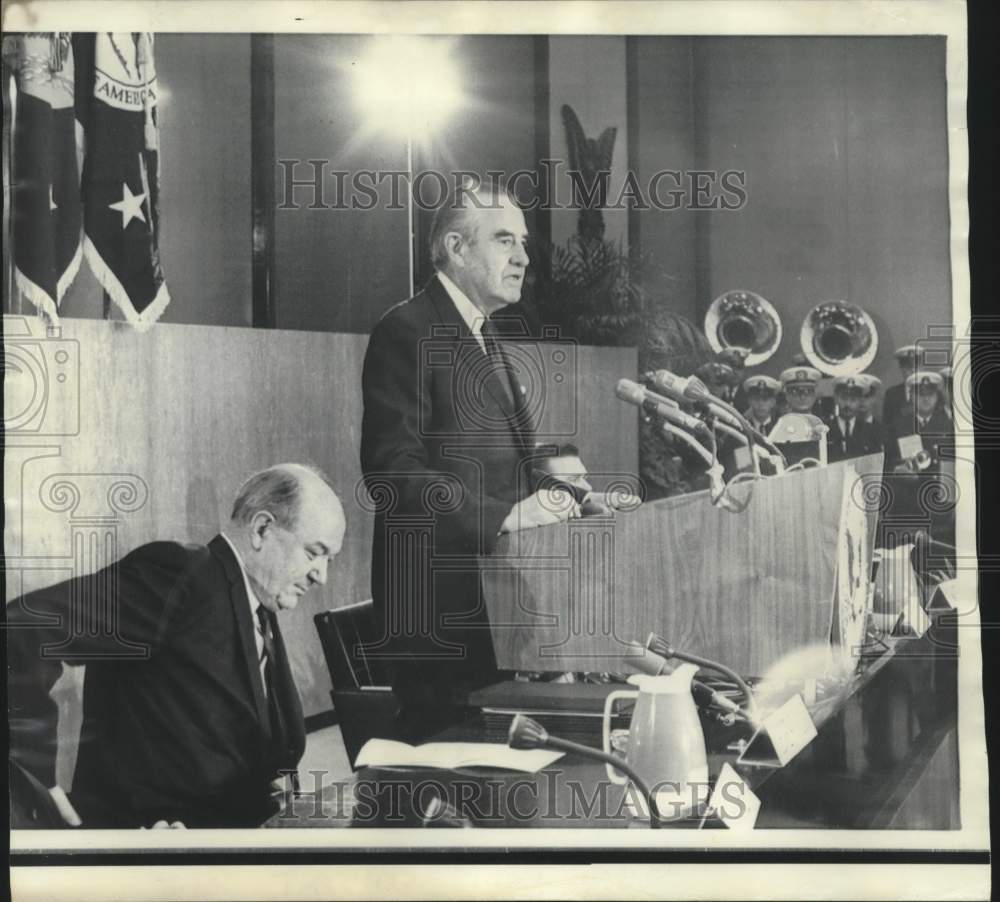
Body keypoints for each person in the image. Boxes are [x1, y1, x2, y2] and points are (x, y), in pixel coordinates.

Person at [6, 464, 346, 829]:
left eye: (329, 559)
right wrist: (40, 782)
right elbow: (23, 628)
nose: (321, 575)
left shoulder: (257, 603)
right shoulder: (178, 574)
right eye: (314, 553)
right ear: (262, 529)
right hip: (149, 847)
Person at [360, 186, 582, 738]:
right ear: (456, 248)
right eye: (505, 239)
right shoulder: (406, 329)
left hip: (498, 610)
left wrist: (573, 496)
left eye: (523, 242)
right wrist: (501, 517)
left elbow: (514, 465)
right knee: (457, 792)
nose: (524, 258)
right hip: (438, 618)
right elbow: (392, 469)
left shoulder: (489, 337)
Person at [885, 370, 953, 470]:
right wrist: (897, 470)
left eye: (930, 394)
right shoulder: (898, 427)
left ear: (937, 396)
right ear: (911, 396)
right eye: (921, 394)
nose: (926, 399)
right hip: (910, 484)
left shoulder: (949, 425)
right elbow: (890, 462)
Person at [823, 375, 883, 463]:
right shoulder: (825, 430)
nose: (847, 404)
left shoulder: (871, 431)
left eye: (853, 399)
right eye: (843, 398)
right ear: (836, 398)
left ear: (860, 401)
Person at [882, 344, 921, 428]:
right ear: (901, 368)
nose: (913, 370)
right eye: (908, 366)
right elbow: (886, 426)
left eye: (916, 366)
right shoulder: (891, 394)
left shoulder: (933, 394)